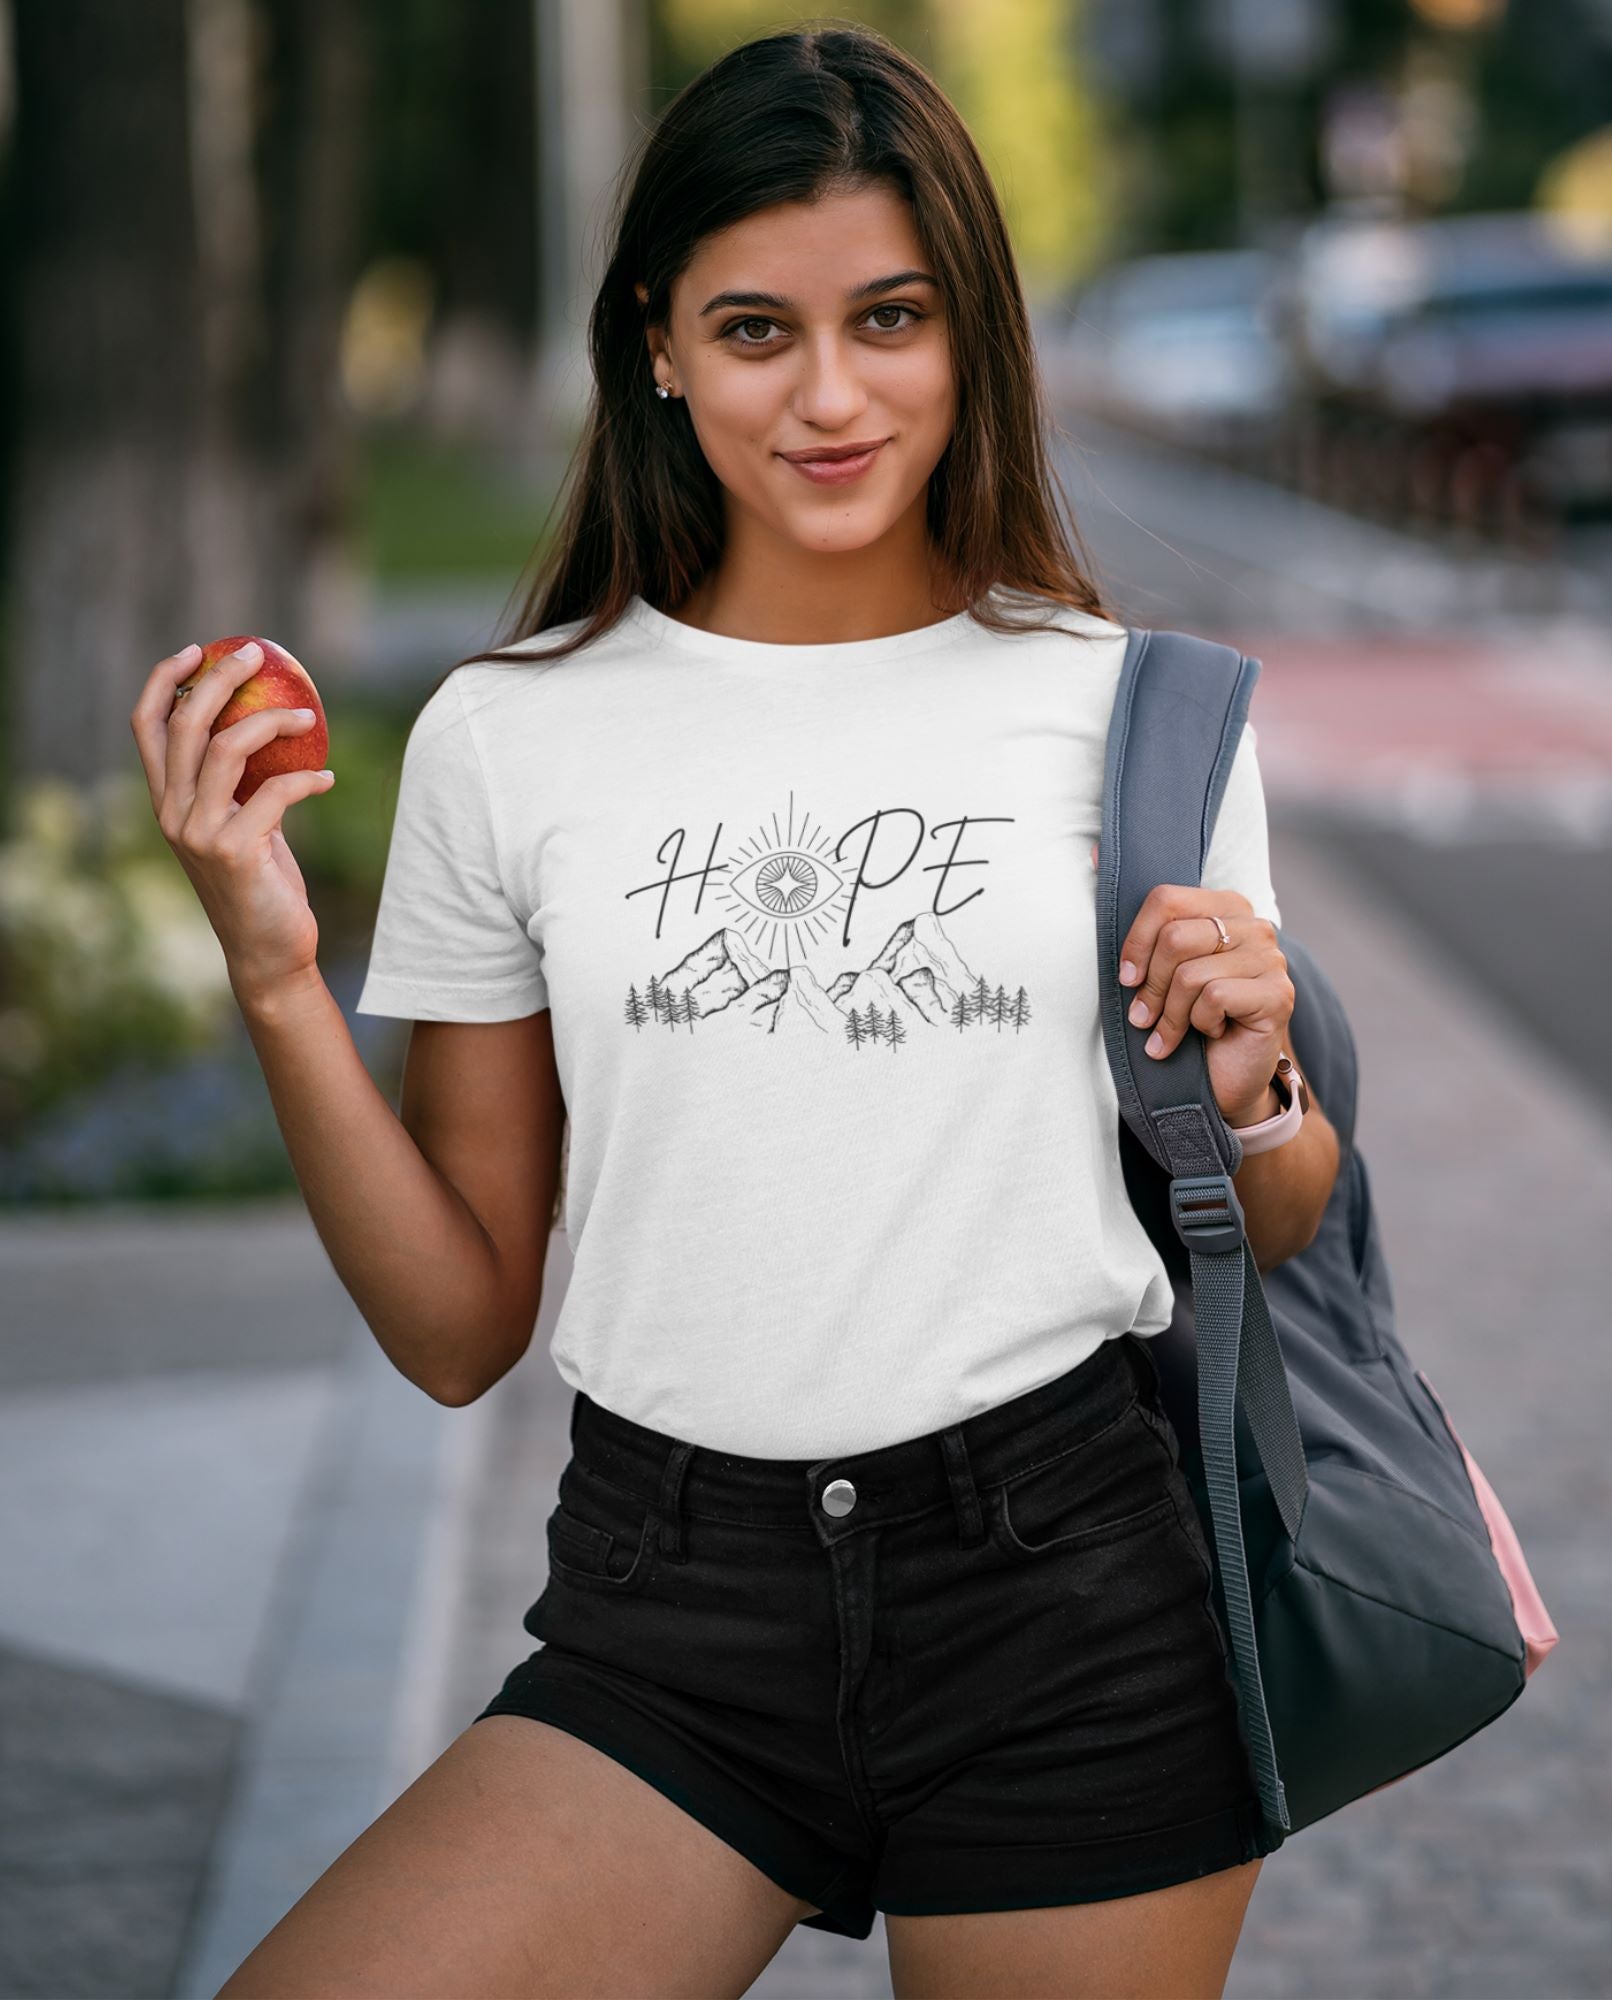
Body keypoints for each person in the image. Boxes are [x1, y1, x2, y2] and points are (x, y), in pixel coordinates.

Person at [131, 23, 1340, 1999]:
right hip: (669, 1608)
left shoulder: (1132, 707)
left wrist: (1258, 1084)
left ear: (969, 334)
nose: (832, 393)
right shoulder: (508, 741)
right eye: (756, 329)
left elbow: (1267, 1212)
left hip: (1069, 1594)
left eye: (890, 317)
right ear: (657, 345)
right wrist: (276, 976)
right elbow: (455, 1331)